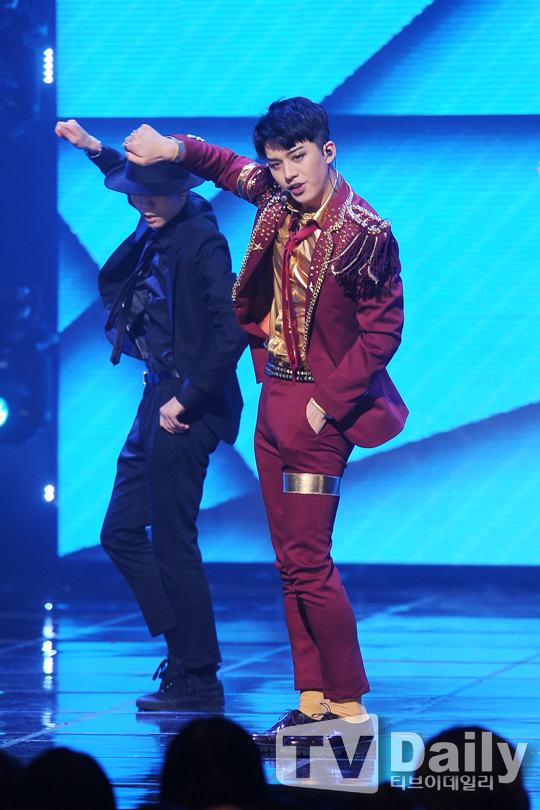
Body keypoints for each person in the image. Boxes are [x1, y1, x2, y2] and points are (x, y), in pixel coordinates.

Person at [122, 97, 407, 740]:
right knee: (288, 562)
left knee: (309, 561)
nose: (287, 174)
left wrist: (324, 406)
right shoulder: (277, 201)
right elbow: (227, 167)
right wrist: (174, 149)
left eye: (297, 158)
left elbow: (382, 333)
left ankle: (349, 708)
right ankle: (312, 703)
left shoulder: (365, 232)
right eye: (277, 163)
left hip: (318, 416)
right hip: (274, 402)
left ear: (327, 152)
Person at [55, 120, 247, 711]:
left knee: (172, 540)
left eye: (155, 195)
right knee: (119, 532)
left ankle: (198, 674)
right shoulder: (156, 218)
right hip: (155, 396)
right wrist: (94, 149)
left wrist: (185, 399)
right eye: (137, 195)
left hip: (188, 405)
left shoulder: (202, 241)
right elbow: (135, 178)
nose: (143, 204)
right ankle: (182, 650)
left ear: (184, 190)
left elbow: (233, 331)